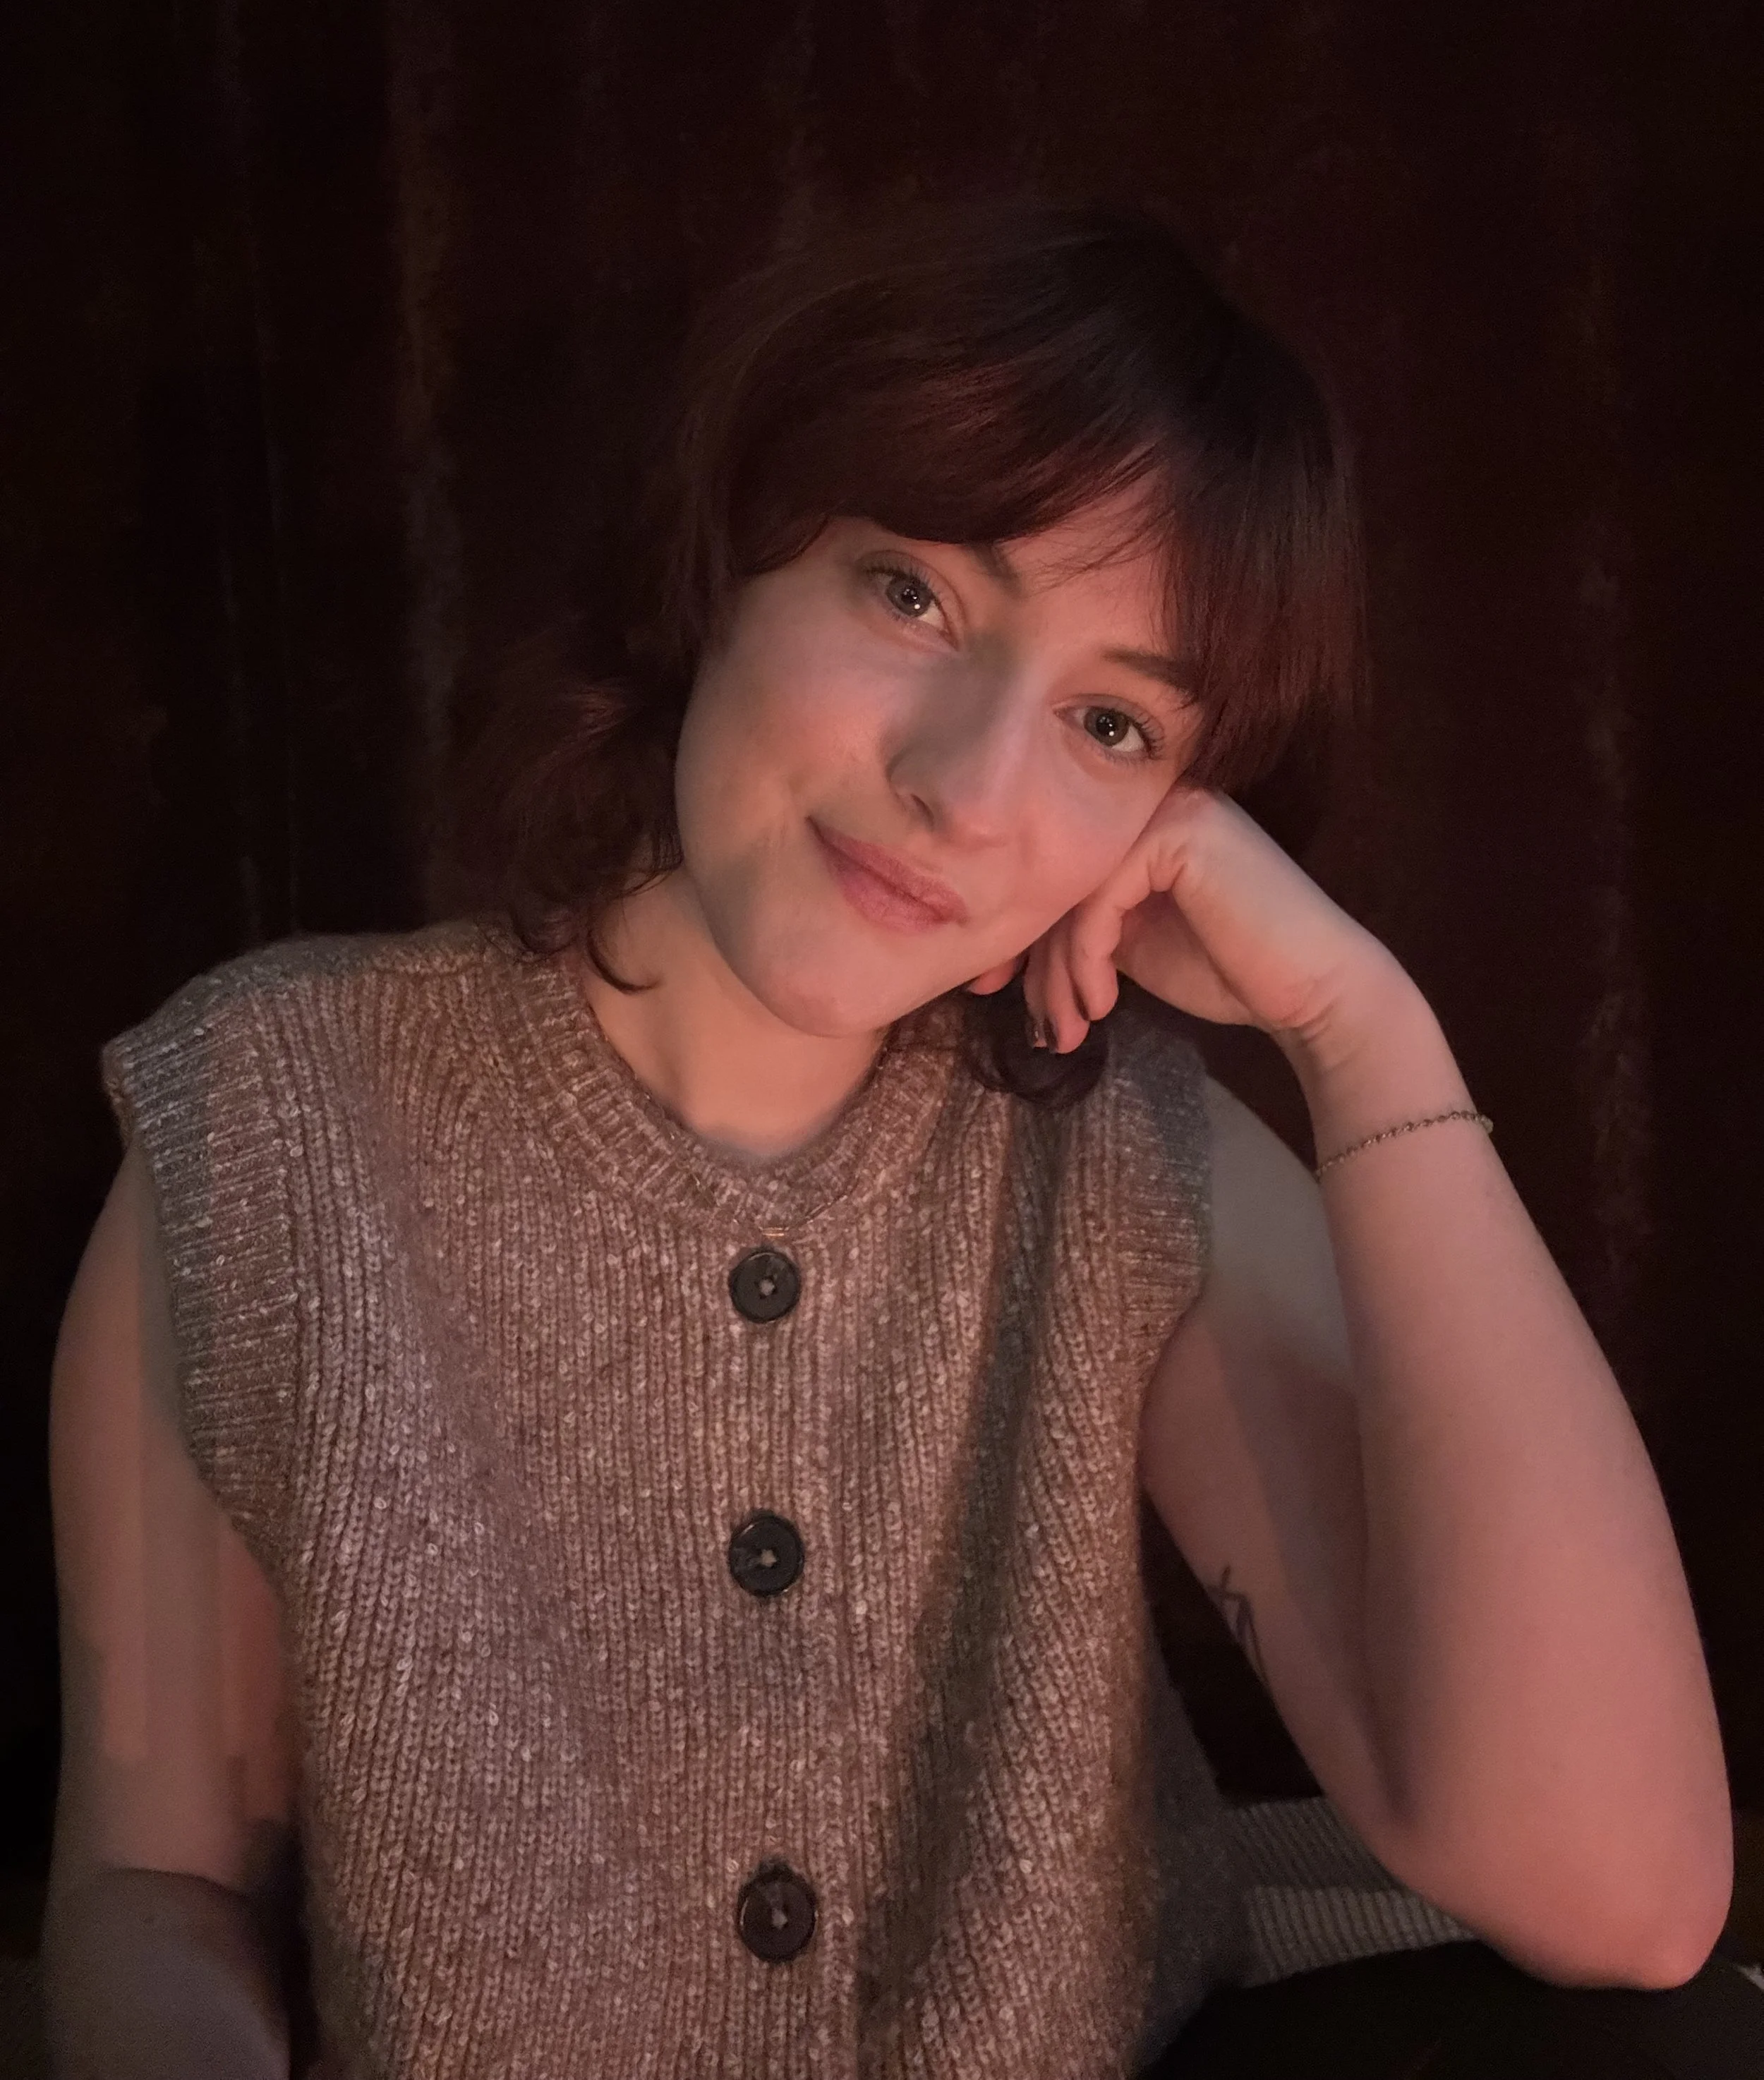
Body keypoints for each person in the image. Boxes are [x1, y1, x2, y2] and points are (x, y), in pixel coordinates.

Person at [42, 200, 1754, 2079]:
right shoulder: (270, 1113)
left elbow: (1624, 1890)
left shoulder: (1125, 1159)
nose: (959, 784)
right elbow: (154, 1881)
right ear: (728, 559)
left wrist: (1362, 1035)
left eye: (1107, 723)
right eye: (913, 593)